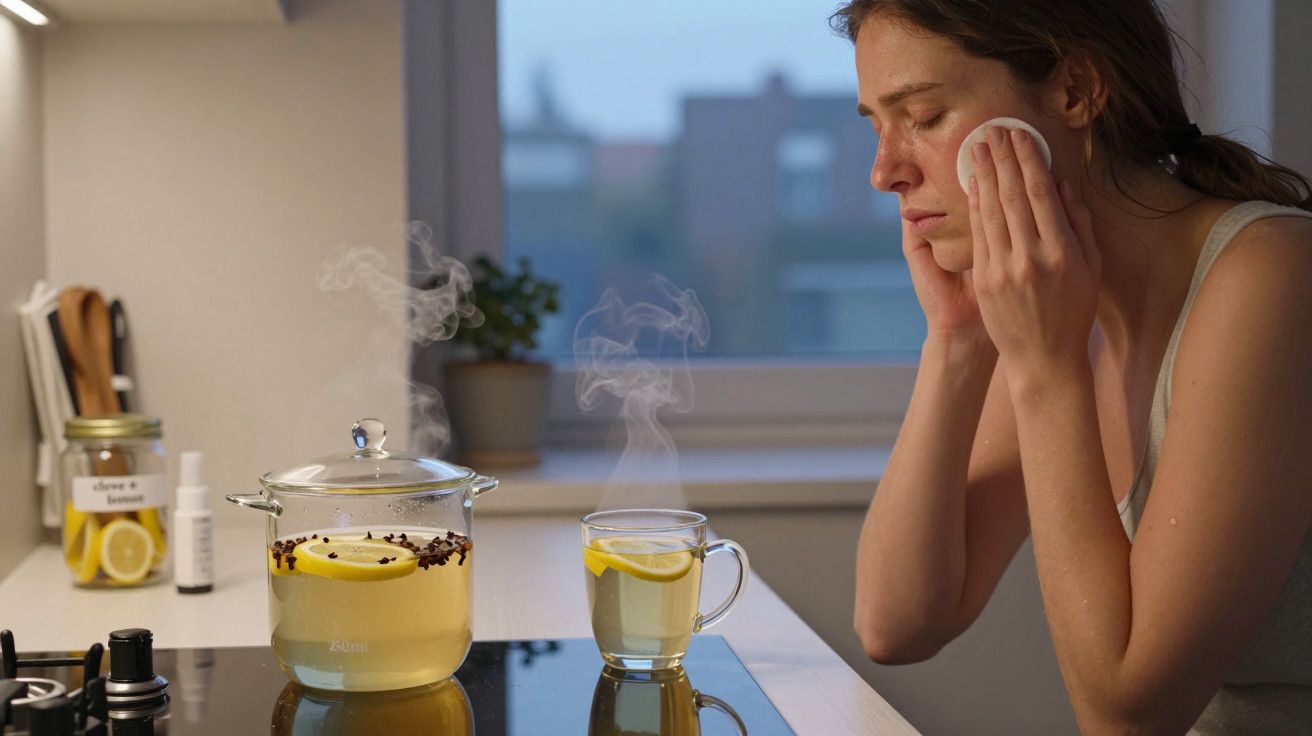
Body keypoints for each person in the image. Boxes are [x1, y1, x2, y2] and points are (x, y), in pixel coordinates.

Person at [835, 1, 1312, 733]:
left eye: (924, 117)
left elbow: (1127, 716)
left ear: (1075, 91)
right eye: (876, 124)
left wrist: (1046, 366)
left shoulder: (1273, 275)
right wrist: (957, 345)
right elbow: (896, 623)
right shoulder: (1065, 306)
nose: (884, 172)